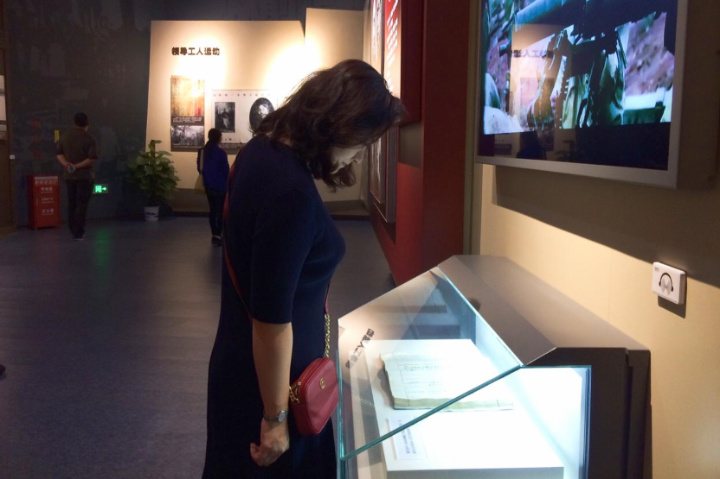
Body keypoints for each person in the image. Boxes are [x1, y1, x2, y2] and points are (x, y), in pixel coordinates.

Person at [202, 59, 404, 478]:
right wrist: (275, 418)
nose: (359, 155)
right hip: (274, 390)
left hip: (246, 369)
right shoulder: (290, 194)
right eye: (362, 143)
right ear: (340, 125)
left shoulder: (261, 151)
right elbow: (271, 322)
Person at [55, 112, 98, 240]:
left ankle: (72, 228)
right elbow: (92, 158)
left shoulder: (64, 137)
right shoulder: (89, 138)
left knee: (72, 203)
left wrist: (67, 165)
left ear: (74, 122)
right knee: (82, 204)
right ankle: (78, 232)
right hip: (84, 176)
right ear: (87, 123)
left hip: (69, 176)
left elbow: (59, 154)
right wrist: (77, 166)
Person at [197, 128, 229, 245]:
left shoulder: (202, 151)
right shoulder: (221, 153)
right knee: (220, 210)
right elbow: (226, 171)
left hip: (208, 185)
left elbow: (199, 168)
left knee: (212, 209)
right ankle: (218, 234)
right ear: (218, 138)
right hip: (221, 186)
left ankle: (214, 234)